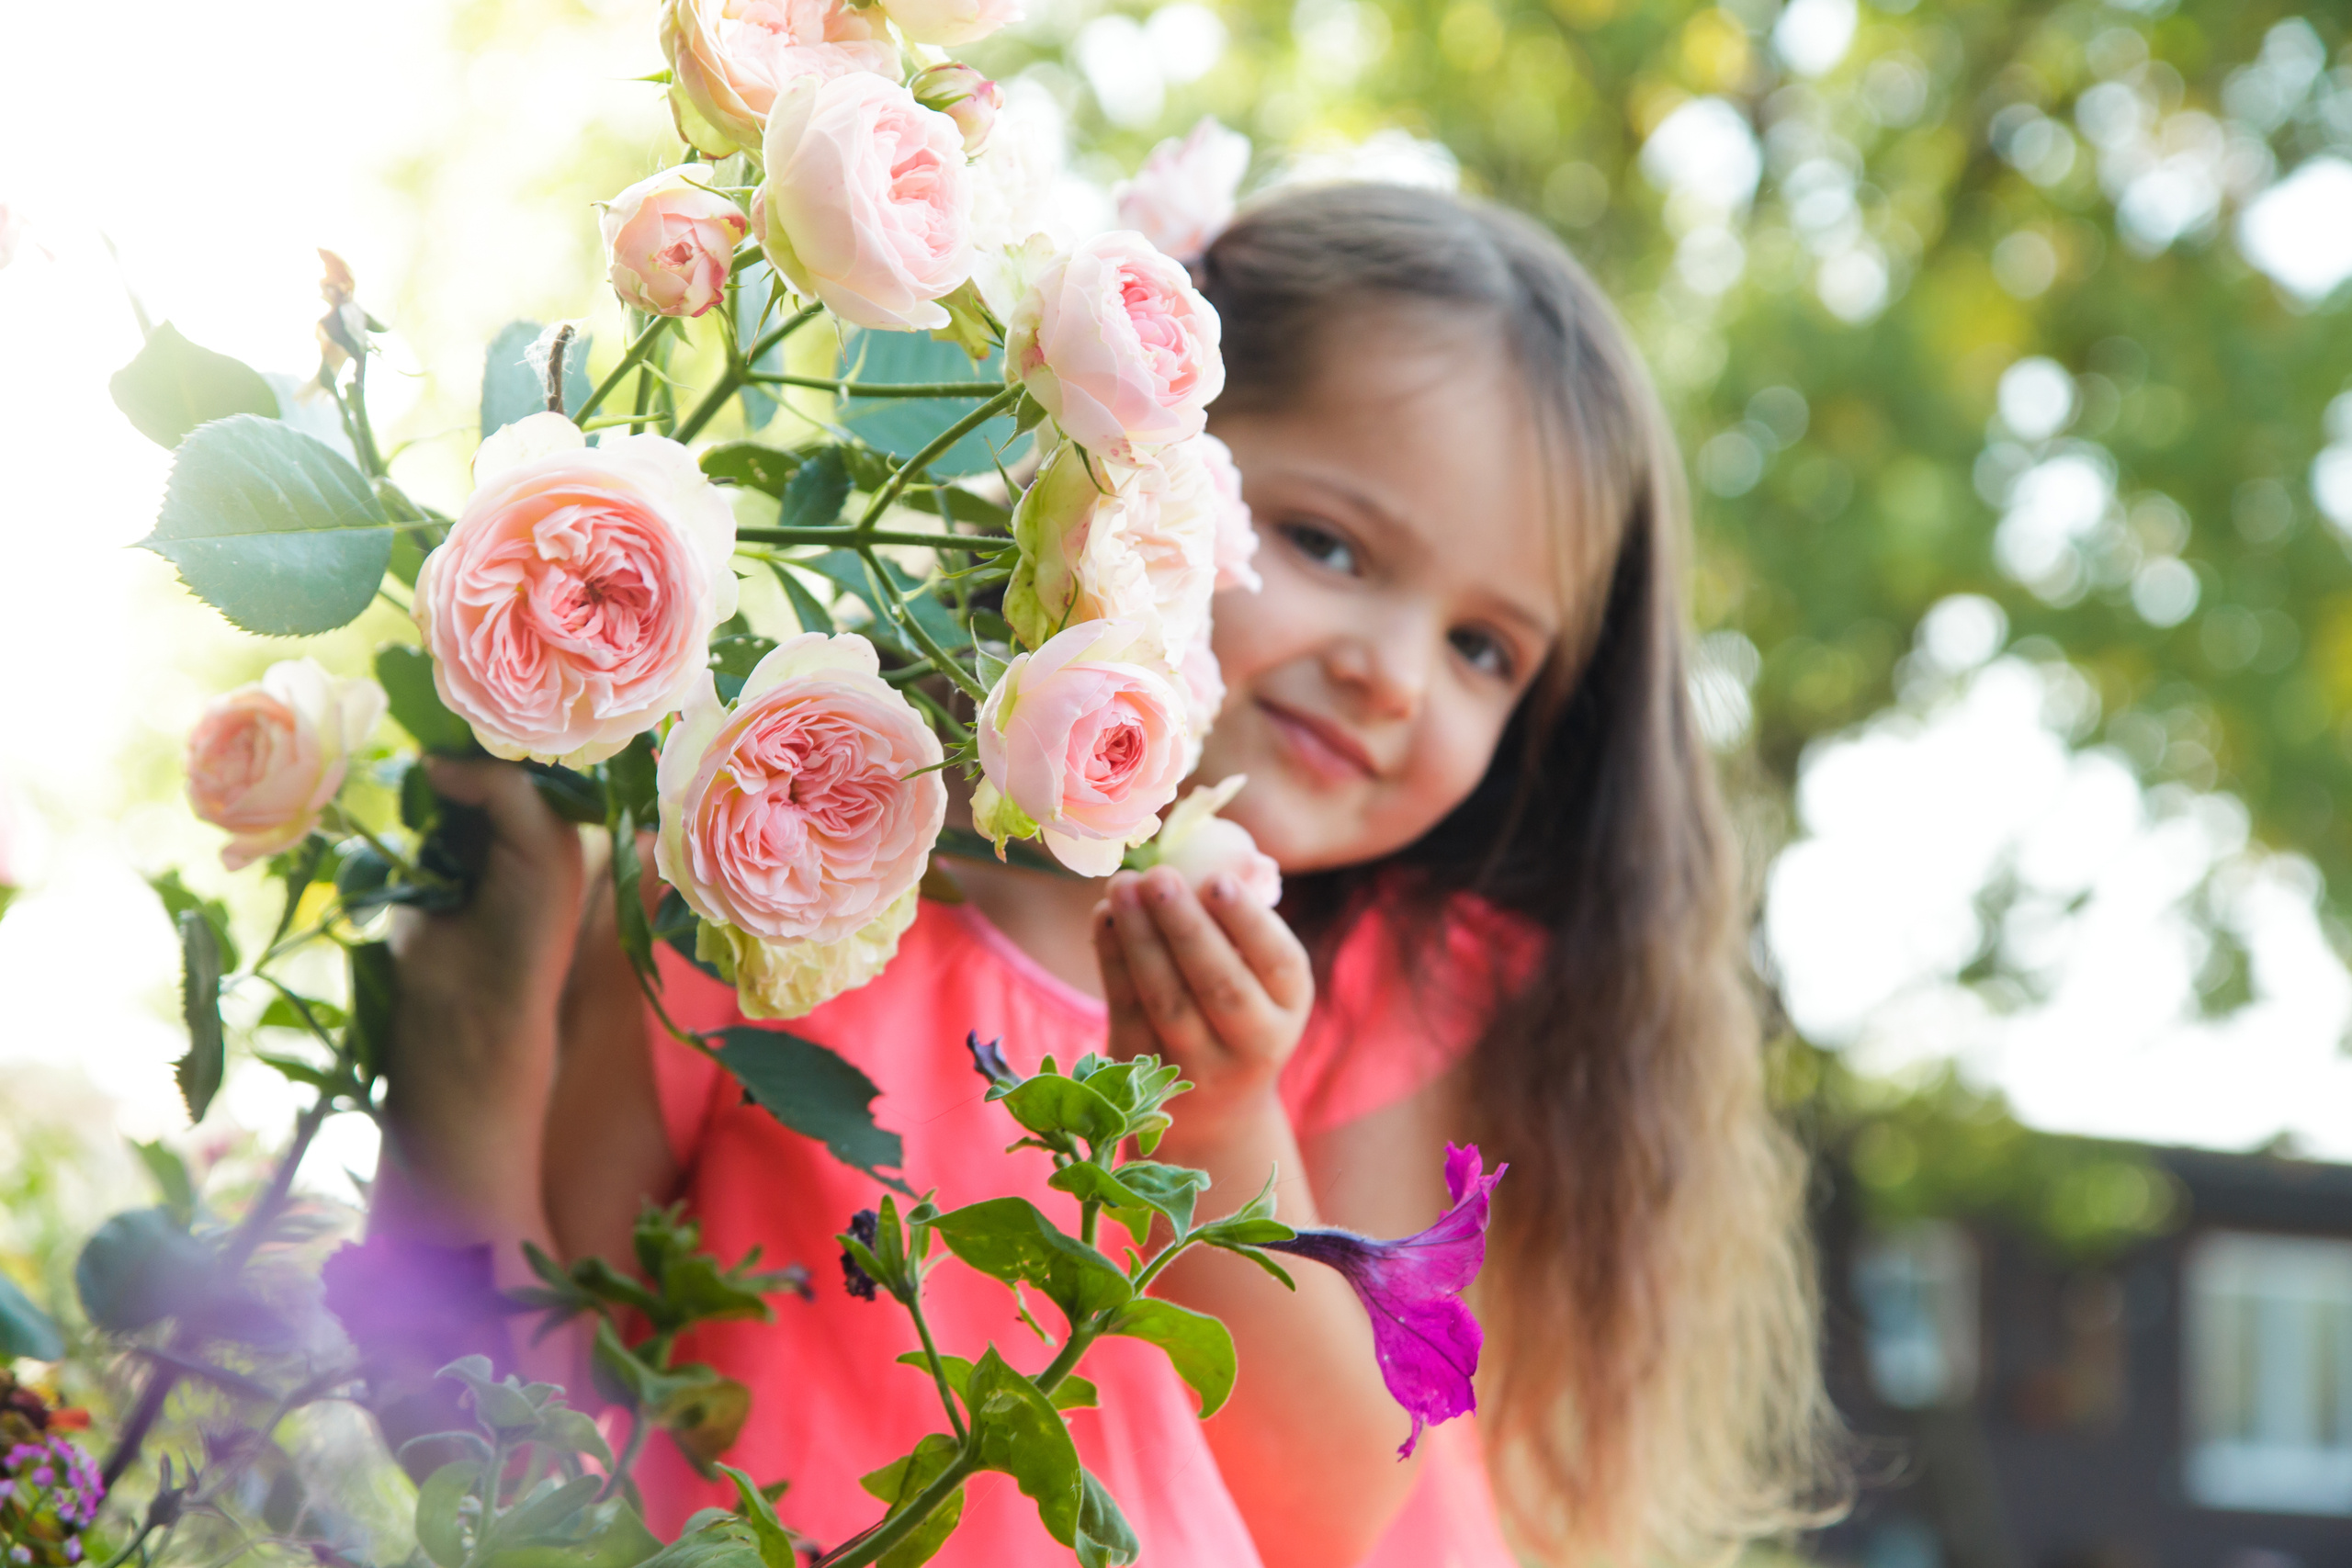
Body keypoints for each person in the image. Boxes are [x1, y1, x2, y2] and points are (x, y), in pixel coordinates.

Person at [376, 183, 1841, 1568]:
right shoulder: (777, 879)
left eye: (1484, 649)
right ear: (1128, 468)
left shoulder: (1379, 995)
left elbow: (1338, 1508)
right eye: (1330, 545)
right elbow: (506, 1415)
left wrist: (1216, 1130)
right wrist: (471, 1043)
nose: (1394, 673)